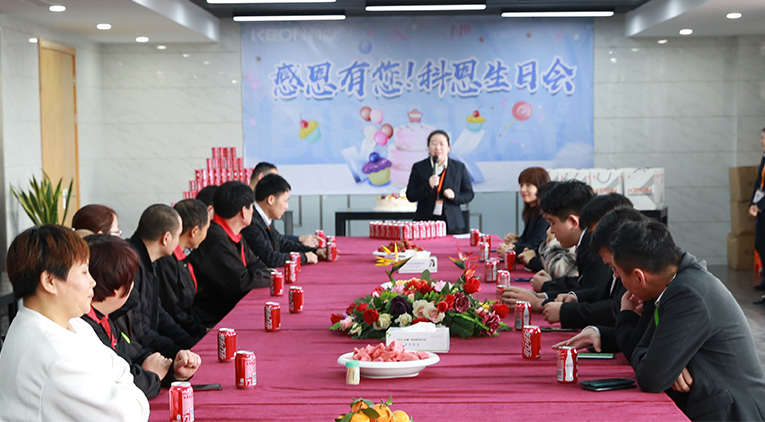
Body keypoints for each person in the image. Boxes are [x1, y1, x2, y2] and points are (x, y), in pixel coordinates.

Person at [610, 220, 765, 420]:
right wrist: (666, 363)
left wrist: (665, 363)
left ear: (639, 277)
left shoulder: (687, 294)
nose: (619, 281)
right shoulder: (679, 282)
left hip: (735, 414)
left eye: (618, 273)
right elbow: (644, 351)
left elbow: (651, 377)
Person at [0, 225, 149, 420]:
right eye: (85, 271)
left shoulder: (71, 324)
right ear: (50, 281)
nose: (93, 282)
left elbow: (121, 368)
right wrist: (123, 388)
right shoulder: (54, 356)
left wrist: (119, 385)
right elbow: (128, 415)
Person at [83, 234, 201, 399]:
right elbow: (118, 384)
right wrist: (153, 375)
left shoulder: (103, 318)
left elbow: (134, 354)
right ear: (117, 290)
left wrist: (173, 370)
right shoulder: (84, 326)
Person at [552, 207, 650, 357]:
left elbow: (641, 353)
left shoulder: (675, 292)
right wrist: (598, 333)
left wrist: (625, 314)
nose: (615, 275)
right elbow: (638, 340)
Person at [502, 180, 609, 312]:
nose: (551, 231)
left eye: (553, 223)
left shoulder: (595, 246)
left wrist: (539, 303)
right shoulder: (585, 242)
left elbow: (595, 299)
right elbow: (582, 287)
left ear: (573, 221)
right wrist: (542, 296)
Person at [113, 204, 197, 359]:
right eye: (178, 235)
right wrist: (176, 351)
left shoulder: (150, 261)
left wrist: (189, 343)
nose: (179, 241)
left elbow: (158, 311)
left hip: (152, 346)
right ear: (166, 238)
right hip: (139, 355)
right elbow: (138, 329)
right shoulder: (128, 264)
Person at [540, 193, 632, 328]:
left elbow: (616, 309)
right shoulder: (607, 251)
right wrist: (575, 297)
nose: (551, 230)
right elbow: (603, 291)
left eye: (553, 223)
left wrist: (565, 311)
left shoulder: (630, 258)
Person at [190, 181, 271, 327]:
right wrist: (270, 276)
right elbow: (241, 282)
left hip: (229, 309)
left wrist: (265, 274)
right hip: (213, 318)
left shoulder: (235, 234)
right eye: (252, 207)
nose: (253, 212)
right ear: (243, 211)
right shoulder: (215, 239)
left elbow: (255, 263)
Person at [242, 174, 324, 268]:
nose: (287, 206)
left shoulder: (263, 219)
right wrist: (303, 257)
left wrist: (315, 251)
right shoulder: (251, 222)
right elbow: (270, 259)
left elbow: (282, 244)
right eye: (285, 201)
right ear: (271, 200)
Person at [156, 199, 210, 340]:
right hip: (178, 335)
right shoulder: (166, 261)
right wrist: (201, 331)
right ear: (194, 231)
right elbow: (173, 310)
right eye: (206, 229)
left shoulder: (185, 255)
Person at [406, 130, 474, 234]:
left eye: (441, 144)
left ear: (448, 148)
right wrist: (428, 186)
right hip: (424, 223)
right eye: (433, 144)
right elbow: (410, 195)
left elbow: (469, 194)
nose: (437, 148)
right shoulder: (419, 167)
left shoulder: (458, 167)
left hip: (453, 224)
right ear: (428, 147)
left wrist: (454, 196)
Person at [249, 161, 321, 248]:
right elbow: (269, 253)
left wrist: (302, 243)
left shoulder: (265, 214)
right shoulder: (251, 215)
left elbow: (278, 240)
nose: (287, 206)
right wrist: (304, 252)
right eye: (273, 179)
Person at [497, 167, 550, 255]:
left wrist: (512, 248)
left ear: (541, 186)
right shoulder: (532, 210)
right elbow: (527, 240)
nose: (522, 190)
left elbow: (536, 245)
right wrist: (515, 240)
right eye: (521, 185)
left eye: (528, 185)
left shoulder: (545, 213)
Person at [749, 127, 765, 293]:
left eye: (764, 138)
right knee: (760, 245)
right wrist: (752, 204)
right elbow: (758, 184)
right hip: (761, 211)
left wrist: (759, 205)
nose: (762, 141)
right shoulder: (764, 158)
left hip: (763, 208)